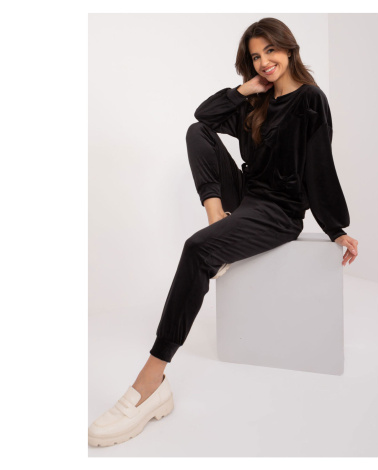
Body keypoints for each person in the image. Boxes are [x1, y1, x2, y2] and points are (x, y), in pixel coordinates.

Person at [88, 17, 359, 447]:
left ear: (289, 49)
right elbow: (205, 116)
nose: (264, 61)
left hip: (279, 211)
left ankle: (151, 380)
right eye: (256, 56)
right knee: (196, 133)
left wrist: (335, 228)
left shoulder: (310, 100)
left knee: (197, 250)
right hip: (246, 195)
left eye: (270, 51)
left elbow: (319, 164)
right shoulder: (257, 101)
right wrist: (245, 90)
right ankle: (219, 224)